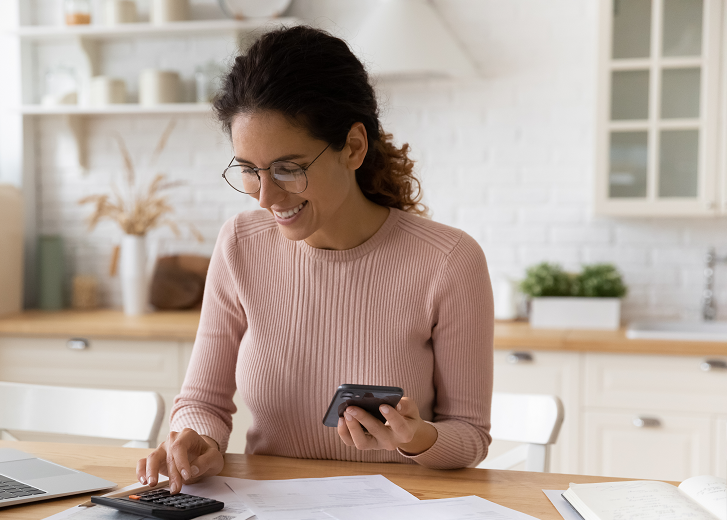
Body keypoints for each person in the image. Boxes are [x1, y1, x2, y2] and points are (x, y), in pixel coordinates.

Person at [138, 26, 494, 493]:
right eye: (249, 170)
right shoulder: (240, 244)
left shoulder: (449, 260)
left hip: (399, 512)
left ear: (354, 147)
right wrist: (197, 440)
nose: (265, 197)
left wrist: (417, 438)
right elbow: (203, 401)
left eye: (288, 168)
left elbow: (470, 436)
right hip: (268, 511)